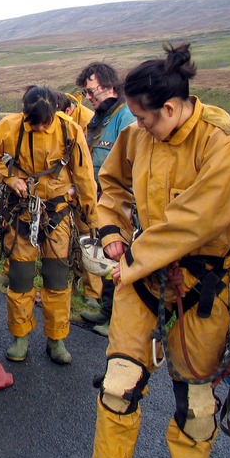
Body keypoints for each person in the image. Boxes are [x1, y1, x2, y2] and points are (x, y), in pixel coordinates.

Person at [89, 43, 230, 458]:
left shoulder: (226, 146)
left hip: (204, 289)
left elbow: (193, 221)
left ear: (168, 108)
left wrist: (133, 259)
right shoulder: (138, 135)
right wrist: (112, 231)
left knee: (197, 410)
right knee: (117, 388)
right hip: (144, 282)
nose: (139, 127)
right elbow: (111, 183)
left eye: (144, 118)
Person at [0, 86, 98, 364]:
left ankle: (56, 339)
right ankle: (20, 337)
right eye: (34, 124)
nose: (40, 128)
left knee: (56, 278)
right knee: (20, 278)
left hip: (57, 213)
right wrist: (7, 177)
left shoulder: (70, 131)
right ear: (25, 115)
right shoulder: (10, 127)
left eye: (45, 123)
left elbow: (84, 176)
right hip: (21, 212)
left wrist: (92, 219)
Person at [75, 62, 136, 337]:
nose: (88, 97)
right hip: (104, 202)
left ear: (110, 87)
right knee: (110, 258)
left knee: (122, 260)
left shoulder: (125, 117)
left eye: (91, 91)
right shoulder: (100, 119)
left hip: (123, 205)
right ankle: (107, 309)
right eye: (85, 93)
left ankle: (119, 321)